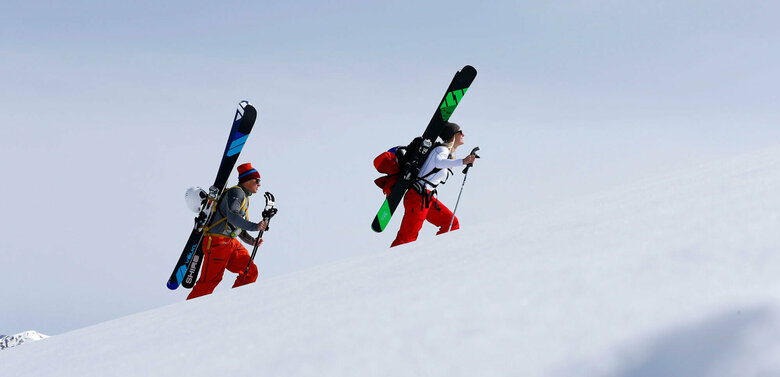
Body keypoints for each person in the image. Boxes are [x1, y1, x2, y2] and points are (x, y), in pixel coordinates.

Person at [187, 162, 269, 300]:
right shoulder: (236, 192)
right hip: (217, 242)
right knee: (209, 283)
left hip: (230, 242)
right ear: (248, 180)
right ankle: (186, 315)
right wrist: (256, 226)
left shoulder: (244, 196)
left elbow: (236, 226)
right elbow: (233, 217)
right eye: (257, 180)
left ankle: (232, 304)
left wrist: (252, 241)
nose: (259, 184)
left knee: (250, 271)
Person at [391, 122, 477, 247]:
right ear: (453, 135)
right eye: (460, 132)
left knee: (451, 223)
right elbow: (438, 162)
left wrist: (464, 163)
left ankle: (437, 254)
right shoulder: (440, 149)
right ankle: (391, 264)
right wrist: (463, 161)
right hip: (418, 197)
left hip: (427, 197)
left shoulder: (447, 153)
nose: (463, 134)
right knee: (407, 238)